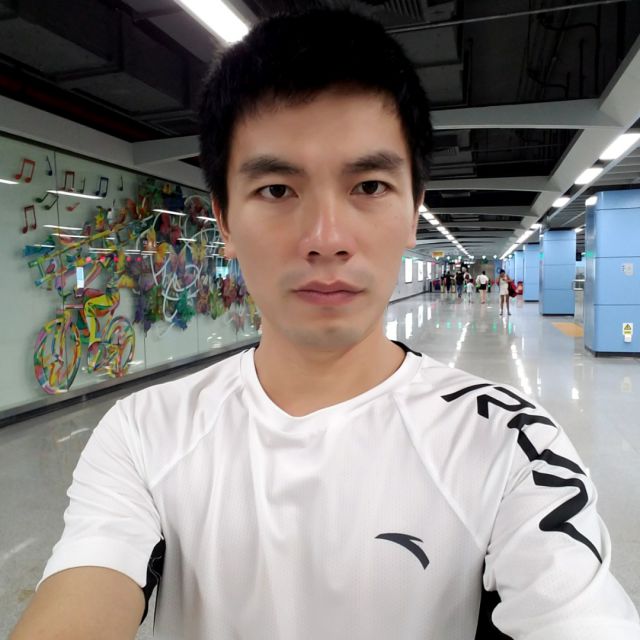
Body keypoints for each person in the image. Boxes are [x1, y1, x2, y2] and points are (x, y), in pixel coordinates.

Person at [12, 9, 640, 640]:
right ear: (224, 220)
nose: (326, 237)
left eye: (369, 186)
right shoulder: (146, 432)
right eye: (277, 190)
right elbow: (84, 593)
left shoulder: (510, 445)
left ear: (414, 210)